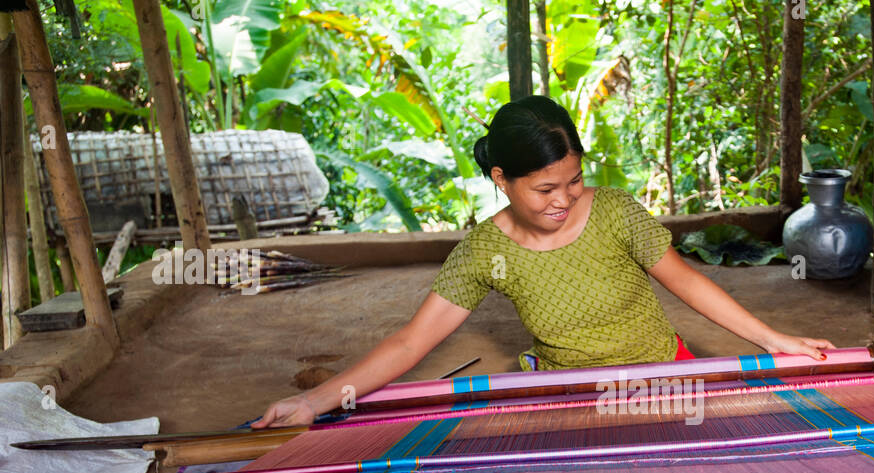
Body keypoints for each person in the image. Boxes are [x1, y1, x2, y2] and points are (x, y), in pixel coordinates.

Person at [255, 96, 833, 428]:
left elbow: (688, 283)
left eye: (575, 180)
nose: (564, 200)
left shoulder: (614, 214)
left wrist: (770, 338)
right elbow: (412, 343)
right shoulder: (485, 251)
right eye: (544, 189)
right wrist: (313, 401)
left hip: (663, 375)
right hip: (570, 391)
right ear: (501, 179)